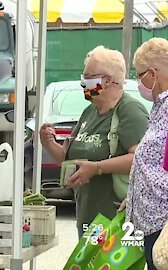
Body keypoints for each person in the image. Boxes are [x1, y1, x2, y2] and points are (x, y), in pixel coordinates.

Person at [39, 45, 149, 238]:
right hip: (87, 218)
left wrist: (97, 167)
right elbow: (70, 162)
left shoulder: (130, 111)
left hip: (116, 221)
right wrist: (48, 143)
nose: (83, 83)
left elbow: (140, 159)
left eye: (88, 77)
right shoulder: (89, 112)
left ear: (107, 81)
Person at [119, 37, 168, 270]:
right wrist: (134, 197)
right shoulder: (159, 108)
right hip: (151, 222)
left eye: (139, 75)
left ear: (153, 74)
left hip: (162, 223)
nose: (138, 82)